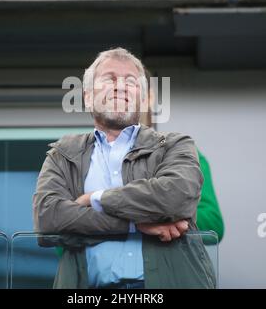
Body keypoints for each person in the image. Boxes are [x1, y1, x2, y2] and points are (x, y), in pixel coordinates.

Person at [33, 47, 216, 289]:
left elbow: (175, 197)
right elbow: (49, 217)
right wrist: (134, 225)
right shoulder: (63, 153)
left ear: (142, 98)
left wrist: (95, 199)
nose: (121, 86)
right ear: (87, 96)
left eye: (131, 81)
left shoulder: (174, 144)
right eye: (109, 79)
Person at [141, 69, 224, 242]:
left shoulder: (181, 152)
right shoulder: (89, 157)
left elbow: (214, 225)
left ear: (149, 97)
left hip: (168, 266)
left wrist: (161, 217)